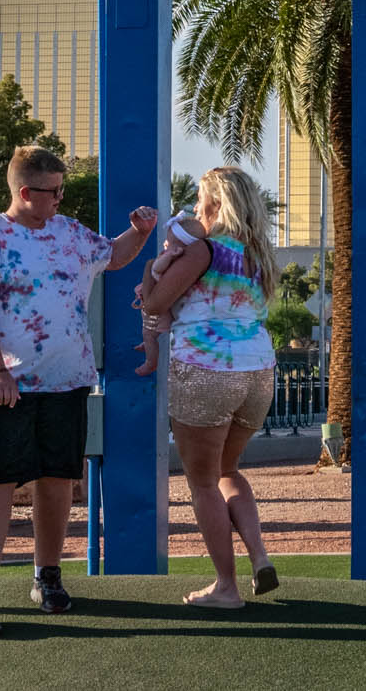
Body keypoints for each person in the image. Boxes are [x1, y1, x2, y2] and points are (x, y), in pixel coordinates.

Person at [0, 145, 157, 639]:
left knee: (58, 478)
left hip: (68, 381)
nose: (61, 199)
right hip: (7, 385)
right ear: (25, 192)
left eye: (61, 190)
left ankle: (47, 575)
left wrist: (140, 232)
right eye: (53, 191)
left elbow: (114, 256)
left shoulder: (69, 232)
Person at [139, 166, 280, 608]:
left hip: (205, 369)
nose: (194, 208)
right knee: (228, 471)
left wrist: (151, 269)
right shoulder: (258, 254)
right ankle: (259, 557)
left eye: (200, 200)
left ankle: (226, 587)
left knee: (202, 483)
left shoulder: (202, 250)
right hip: (259, 372)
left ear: (216, 204)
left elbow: (155, 302)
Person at [135, 208, 203, 376]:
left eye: (169, 242)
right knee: (151, 334)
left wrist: (164, 258)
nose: (165, 244)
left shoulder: (171, 259)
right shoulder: (184, 261)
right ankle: (149, 344)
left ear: (178, 248)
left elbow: (155, 269)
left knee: (148, 334)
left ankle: (150, 362)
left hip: (162, 309)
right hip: (169, 307)